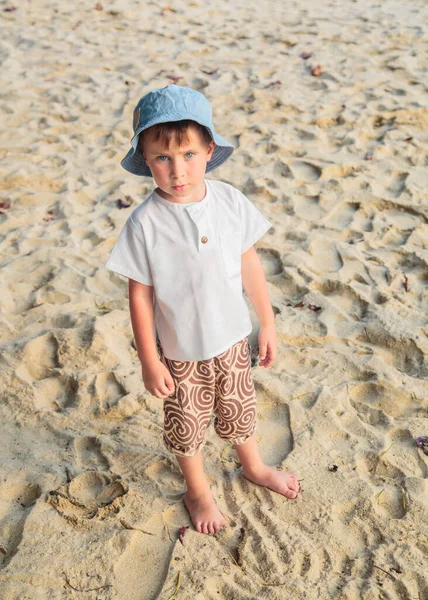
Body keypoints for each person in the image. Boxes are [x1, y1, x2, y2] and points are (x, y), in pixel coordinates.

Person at [105, 84, 300, 535]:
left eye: (189, 155)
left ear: (209, 150)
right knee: (186, 427)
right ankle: (198, 490)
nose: (178, 170)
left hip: (232, 337)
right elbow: (139, 296)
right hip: (180, 350)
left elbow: (248, 263)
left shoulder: (229, 202)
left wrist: (266, 322)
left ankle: (253, 465)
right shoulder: (145, 222)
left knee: (239, 411)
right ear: (146, 160)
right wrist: (149, 361)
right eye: (163, 159)